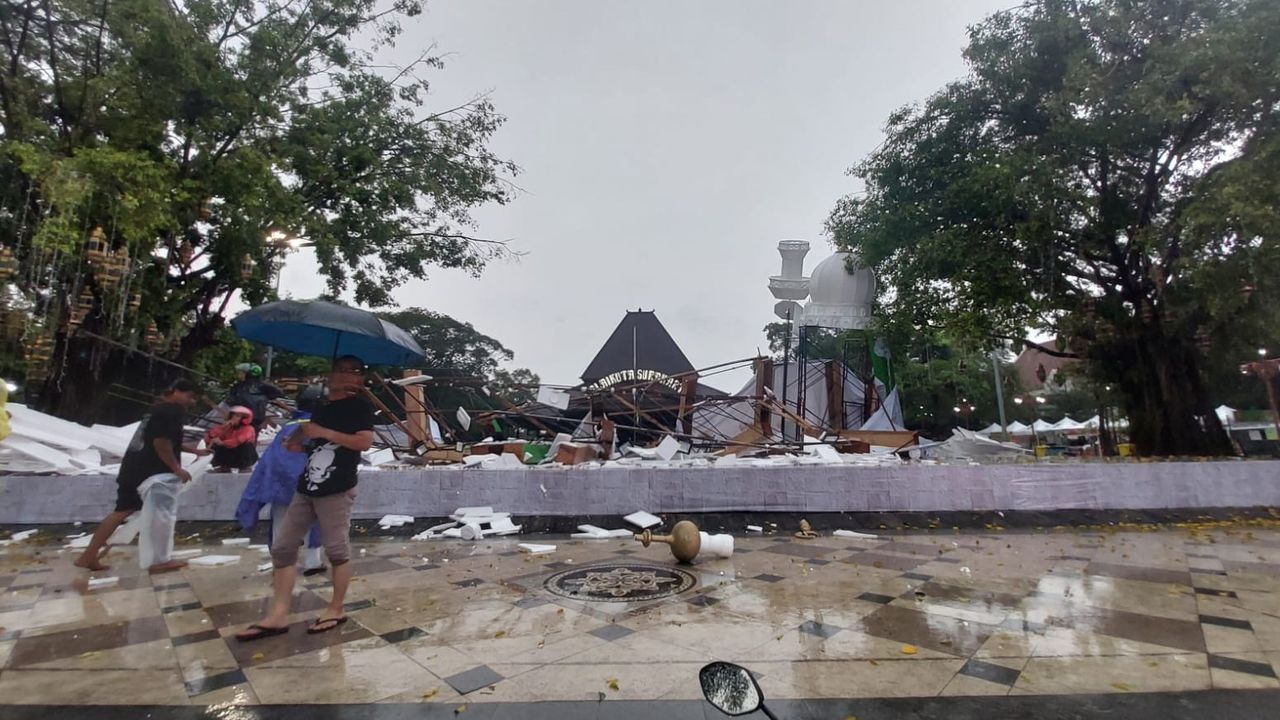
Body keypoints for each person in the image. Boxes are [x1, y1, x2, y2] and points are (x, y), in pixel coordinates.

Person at [237, 356, 374, 641]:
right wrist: (298, 441)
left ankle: (336, 608)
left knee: (336, 551)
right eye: (343, 370)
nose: (349, 376)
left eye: (356, 372)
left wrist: (323, 432)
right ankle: (278, 614)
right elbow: (309, 435)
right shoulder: (322, 406)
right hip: (306, 487)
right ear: (331, 374)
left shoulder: (360, 407)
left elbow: (363, 442)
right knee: (283, 548)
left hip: (336, 488)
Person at [74, 379, 209, 573]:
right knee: (160, 516)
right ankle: (159, 561)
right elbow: (161, 443)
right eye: (190, 396)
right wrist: (177, 468)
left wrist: (194, 452)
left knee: (122, 511)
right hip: (151, 473)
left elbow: (163, 439)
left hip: (133, 468)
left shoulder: (157, 410)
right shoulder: (171, 412)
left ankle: (88, 556)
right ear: (177, 391)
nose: (191, 402)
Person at [235, 385, 327, 575]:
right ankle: (312, 562)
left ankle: (281, 563)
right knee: (313, 522)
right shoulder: (317, 428)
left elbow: (271, 460)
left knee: (281, 522)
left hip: (280, 484)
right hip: (309, 484)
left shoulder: (287, 428)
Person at [227, 363, 284, 433]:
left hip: (241, 418)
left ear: (248, 374)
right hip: (257, 419)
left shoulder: (239, 387)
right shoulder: (263, 385)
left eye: (241, 373)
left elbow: (231, 401)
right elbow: (279, 392)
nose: (239, 375)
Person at [206, 405, 259, 472]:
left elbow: (239, 440)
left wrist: (223, 443)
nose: (233, 418)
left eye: (237, 416)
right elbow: (212, 435)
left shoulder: (249, 429)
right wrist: (224, 427)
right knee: (218, 446)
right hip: (231, 453)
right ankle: (224, 467)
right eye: (233, 416)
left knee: (246, 445)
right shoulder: (227, 428)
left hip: (242, 454)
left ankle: (245, 467)